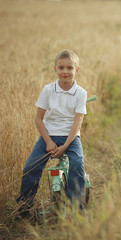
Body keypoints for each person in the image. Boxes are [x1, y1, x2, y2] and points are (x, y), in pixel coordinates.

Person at [16, 49, 87, 219]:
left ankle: (76, 207)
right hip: (48, 135)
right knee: (31, 167)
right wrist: (48, 141)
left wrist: (65, 146)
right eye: (61, 67)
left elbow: (77, 124)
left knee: (77, 164)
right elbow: (39, 119)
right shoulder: (48, 90)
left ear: (76, 70)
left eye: (69, 68)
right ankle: (25, 207)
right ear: (55, 69)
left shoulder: (81, 93)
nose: (65, 71)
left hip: (71, 137)